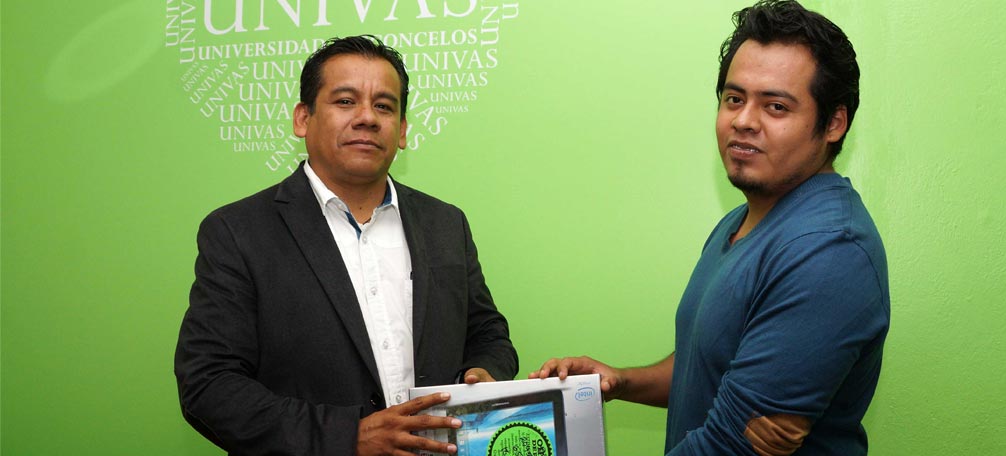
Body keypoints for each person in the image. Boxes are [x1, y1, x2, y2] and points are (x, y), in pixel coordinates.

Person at [531, 1, 889, 455]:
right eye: (734, 99)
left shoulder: (829, 249)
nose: (743, 121)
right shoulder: (739, 223)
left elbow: (729, 444)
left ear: (833, 123)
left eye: (776, 106)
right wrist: (622, 381)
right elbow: (709, 367)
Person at [175, 35, 518, 456]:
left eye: (384, 106)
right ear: (303, 118)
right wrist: (347, 438)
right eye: (345, 101)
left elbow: (487, 334)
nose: (367, 118)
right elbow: (209, 384)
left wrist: (481, 375)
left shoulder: (446, 223)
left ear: (402, 130)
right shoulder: (238, 231)